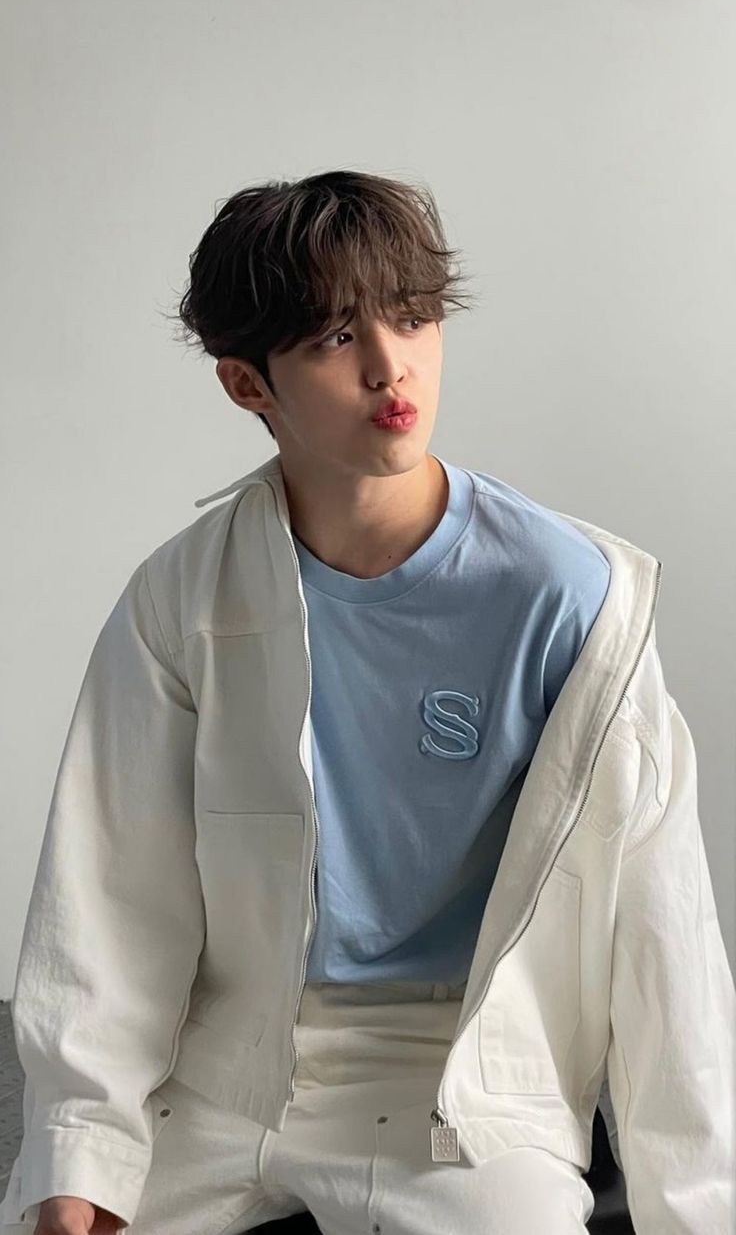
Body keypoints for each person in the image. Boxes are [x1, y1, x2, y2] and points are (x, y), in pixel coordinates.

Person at [1, 170, 734, 1235]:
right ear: (248, 385)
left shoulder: (572, 594)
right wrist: (79, 1147)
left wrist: (696, 1211)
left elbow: (662, 923)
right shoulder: (184, 596)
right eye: (335, 338)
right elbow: (110, 890)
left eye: (413, 316)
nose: (393, 367)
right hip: (232, 1071)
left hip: (469, 1080)